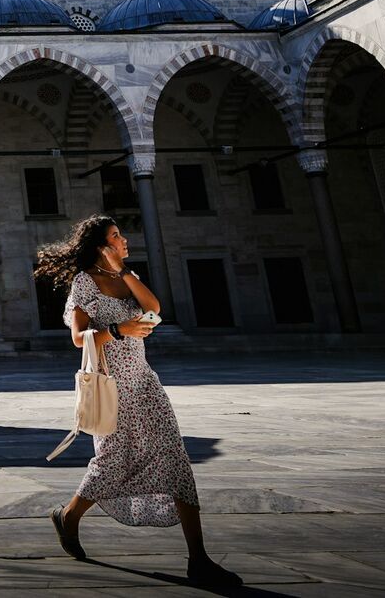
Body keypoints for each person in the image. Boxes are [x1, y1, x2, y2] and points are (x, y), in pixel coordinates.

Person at [35, 214, 240, 589]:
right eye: (116, 236)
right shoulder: (84, 283)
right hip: (112, 387)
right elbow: (80, 338)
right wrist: (118, 330)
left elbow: (154, 308)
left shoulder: (126, 280)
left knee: (175, 458)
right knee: (111, 461)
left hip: (145, 383)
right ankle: (68, 517)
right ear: (102, 246)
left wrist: (125, 271)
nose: (124, 240)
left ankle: (199, 559)